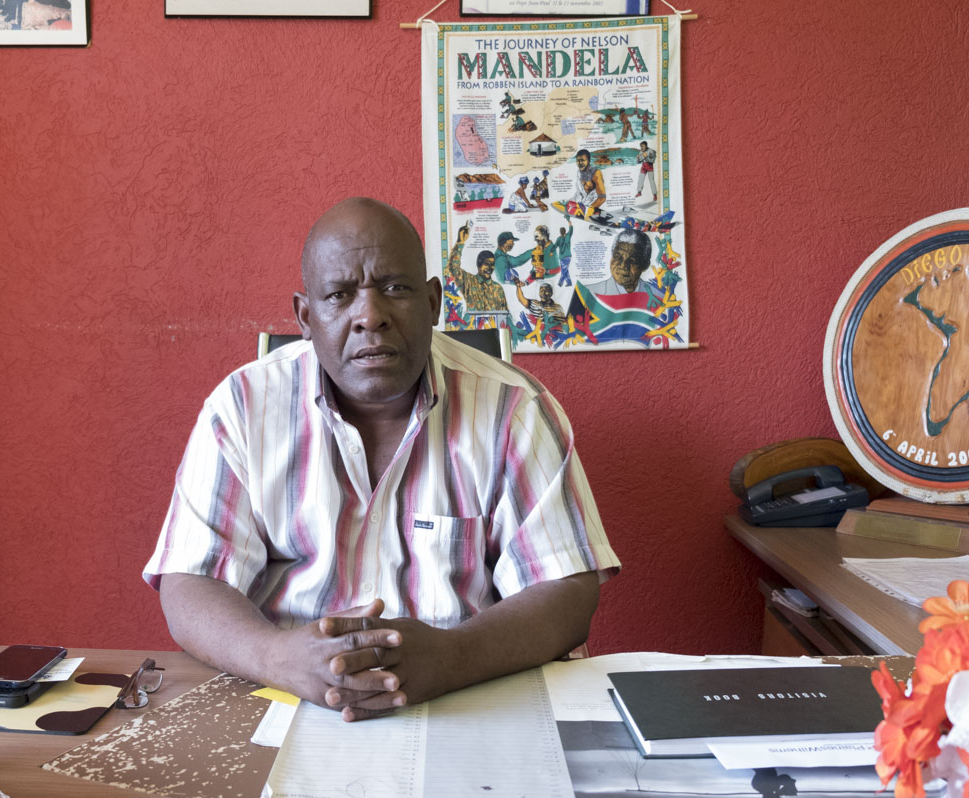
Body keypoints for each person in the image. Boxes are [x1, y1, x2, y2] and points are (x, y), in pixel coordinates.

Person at [145, 198, 617, 721]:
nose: (370, 316)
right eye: (340, 295)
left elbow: (566, 589)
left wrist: (452, 656)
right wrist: (277, 658)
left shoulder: (515, 409)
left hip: (468, 695)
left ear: (435, 302)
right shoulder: (241, 408)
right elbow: (190, 581)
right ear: (306, 316)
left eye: (394, 288)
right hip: (282, 698)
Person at [446, 221, 509, 315]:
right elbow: (453, 267)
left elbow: (504, 315)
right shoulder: (468, 281)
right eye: (487, 264)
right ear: (479, 264)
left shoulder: (498, 289)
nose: (490, 267)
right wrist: (460, 242)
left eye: (492, 264)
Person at [587, 227, 661, 301]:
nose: (623, 265)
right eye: (618, 257)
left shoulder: (659, 297)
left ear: (645, 265)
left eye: (632, 261)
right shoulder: (589, 293)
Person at [571, 149, 607, 221]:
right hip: (581, 204)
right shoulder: (579, 172)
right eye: (578, 161)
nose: (580, 163)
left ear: (589, 161)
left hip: (593, 205)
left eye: (582, 160)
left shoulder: (596, 173)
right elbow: (579, 192)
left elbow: (602, 198)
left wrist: (588, 211)